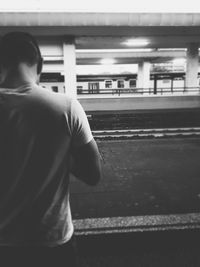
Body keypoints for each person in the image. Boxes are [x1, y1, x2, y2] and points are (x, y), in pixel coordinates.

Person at [0, 32, 102, 266]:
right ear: (41, 65)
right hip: (52, 242)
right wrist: (58, 155)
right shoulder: (66, 107)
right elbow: (93, 174)